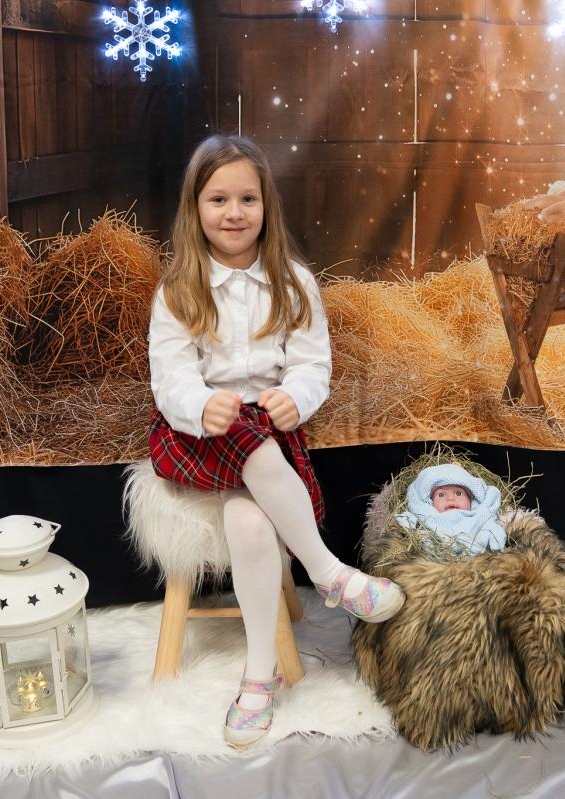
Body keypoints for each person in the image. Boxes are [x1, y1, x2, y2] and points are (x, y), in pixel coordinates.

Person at [147, 135, 404, 747]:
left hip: (264, 431)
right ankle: (329, 573)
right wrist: (199, 404)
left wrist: (296, 397)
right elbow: (170, 379)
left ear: (266, 205)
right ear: (195, 208)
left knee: (250, 522)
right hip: (196, 431)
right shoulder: (178, 290)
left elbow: (313, 366)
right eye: (218, 200)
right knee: (244, 435)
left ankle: (258, 677)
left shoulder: (293, 282)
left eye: (247, 199)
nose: (234, 213)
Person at [395, 464, 508, 555]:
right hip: (437, 558)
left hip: (473, 558)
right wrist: (407, 524)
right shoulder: (427, 519)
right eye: (441, 495)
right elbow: (414, 532)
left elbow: (491, 529)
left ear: (471, 500)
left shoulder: (479, 517)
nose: (450, 498)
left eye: (458, 493)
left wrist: (495, 540)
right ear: (430, 502)